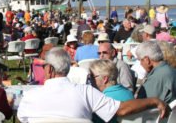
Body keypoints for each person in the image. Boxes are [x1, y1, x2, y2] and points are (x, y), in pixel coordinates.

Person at [17, 48, 168, 122]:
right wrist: (153, 100)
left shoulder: (29, 96)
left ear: (49, 69)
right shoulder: (86, 92)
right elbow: (122, 109)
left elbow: (23, 119)